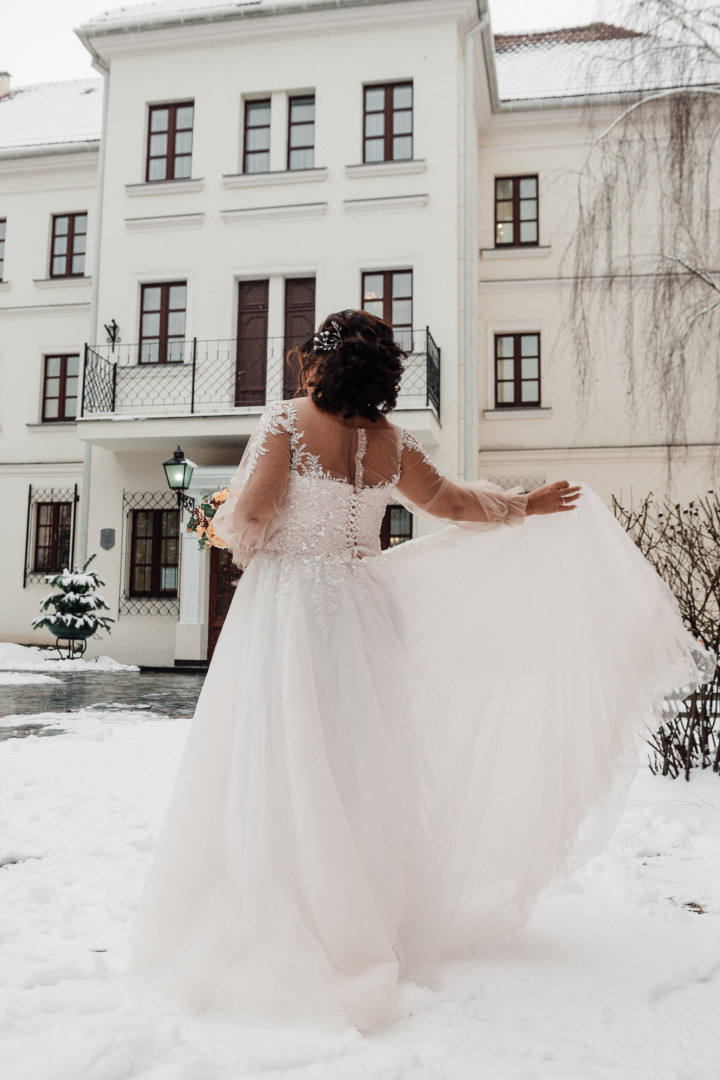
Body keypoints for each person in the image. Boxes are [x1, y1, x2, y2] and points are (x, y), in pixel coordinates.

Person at [127, 309, 712, 1032]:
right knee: (359, 764)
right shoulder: (389, 443)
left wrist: (216, 518)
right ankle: (366, 913)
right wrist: (526, 504)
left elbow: (249, 518)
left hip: (287, 615)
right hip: (363, 613)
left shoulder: (284, 422)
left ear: (322, 364)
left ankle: (290, 913)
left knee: (279, 758)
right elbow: (452, 503)